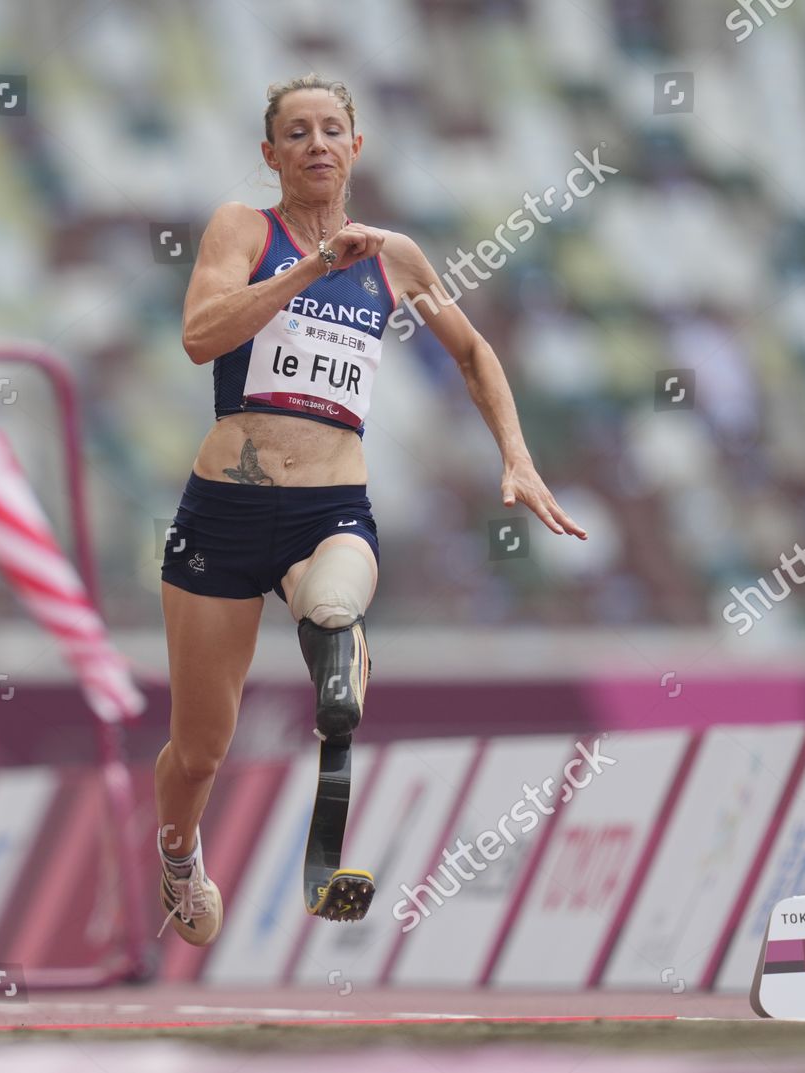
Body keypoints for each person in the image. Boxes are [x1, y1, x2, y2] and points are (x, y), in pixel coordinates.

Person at [155, 74, 587, 946]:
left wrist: (518, 456)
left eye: (332, 130)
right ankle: (176, 853)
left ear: (357, 147)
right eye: (297, 133)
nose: (317, 144)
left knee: (336, 600)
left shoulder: (396, 257)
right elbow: (202, 335)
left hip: (330, 507)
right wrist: (313, 268)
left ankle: (337, 678)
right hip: (224, 513)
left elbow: (473, 353)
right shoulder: (244, 229)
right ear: (270, 155)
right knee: (201, 746)